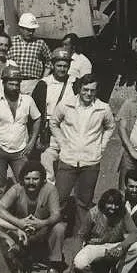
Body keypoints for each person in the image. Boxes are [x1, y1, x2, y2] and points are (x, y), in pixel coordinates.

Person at [51, 74, 115, 225]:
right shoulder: (66, 105)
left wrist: (101, 146)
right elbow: (54, 123)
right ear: (79, 88)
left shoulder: (103, 108)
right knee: (59, 198)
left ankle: (80, 236)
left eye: (92, 90)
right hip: (68, 159)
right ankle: (54, 232)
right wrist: (62, 142)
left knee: (84, 202)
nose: (88, 94)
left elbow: (110, 127)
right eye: (85, 90)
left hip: (90, 161)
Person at [0, 160, 67, 273]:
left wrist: (42, 223)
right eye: (27, 179)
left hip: (42, 230)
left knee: (60, 227)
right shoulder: (17, 188)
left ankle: (54, 266)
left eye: (35, 179)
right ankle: (9, 260)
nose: (31, 183)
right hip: (20, 230)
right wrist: (19, 223)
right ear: (22, 179)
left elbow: (56, 214)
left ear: (43, 179)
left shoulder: (50, 189)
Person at [70, 189, 137, 273]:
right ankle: (95, 270)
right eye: (110, 204)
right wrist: (73, 260)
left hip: (115, 245)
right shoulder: (93, 213)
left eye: (117, 204)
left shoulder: (122, 212)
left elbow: (135, 233)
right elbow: (80, 236)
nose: (113, 207)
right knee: (79, 264)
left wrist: (121, 247)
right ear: (104, 202)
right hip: (95, 246)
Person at [0, 67, 42, 196]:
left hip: (20, 151)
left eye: (17, 84)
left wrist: (32, 142)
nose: (14, 87)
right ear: (4, 83)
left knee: (23, 185)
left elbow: (37, 119)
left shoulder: (27, 100)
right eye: (11, 84)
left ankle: (21, 213)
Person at [33, 46, 77, 180]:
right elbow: (36, 112)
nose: (62, 69)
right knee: (48, 169)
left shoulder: (75, 83)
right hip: (49, 133)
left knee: (67, 170)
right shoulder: (44, 84)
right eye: (59, 65)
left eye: (65, 65)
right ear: (52, 65)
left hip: (69, 132)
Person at [8, 13, 51, 95]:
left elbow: (50, 60)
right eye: (28, 30)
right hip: (13, 81)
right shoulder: (11, 41)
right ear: (21, 28)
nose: (31, 33)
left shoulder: (40, 43)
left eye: (33, 30)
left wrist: (44, 78)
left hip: (33, 83)